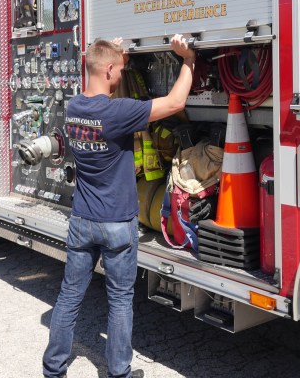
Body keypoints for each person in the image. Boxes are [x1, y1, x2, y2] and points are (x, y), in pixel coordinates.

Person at [43, 34, 196, 378]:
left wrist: (113, 53)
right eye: (121, 69)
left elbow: (102, 72)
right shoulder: (117, 112)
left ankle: (53, 369)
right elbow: (174, 103)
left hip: (82, 219)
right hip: (116, 224)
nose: (123, 75)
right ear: (109, 69)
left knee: (70, 296)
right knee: (120, 301)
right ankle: (119, 373)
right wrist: (188, 60)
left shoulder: (75, 108)